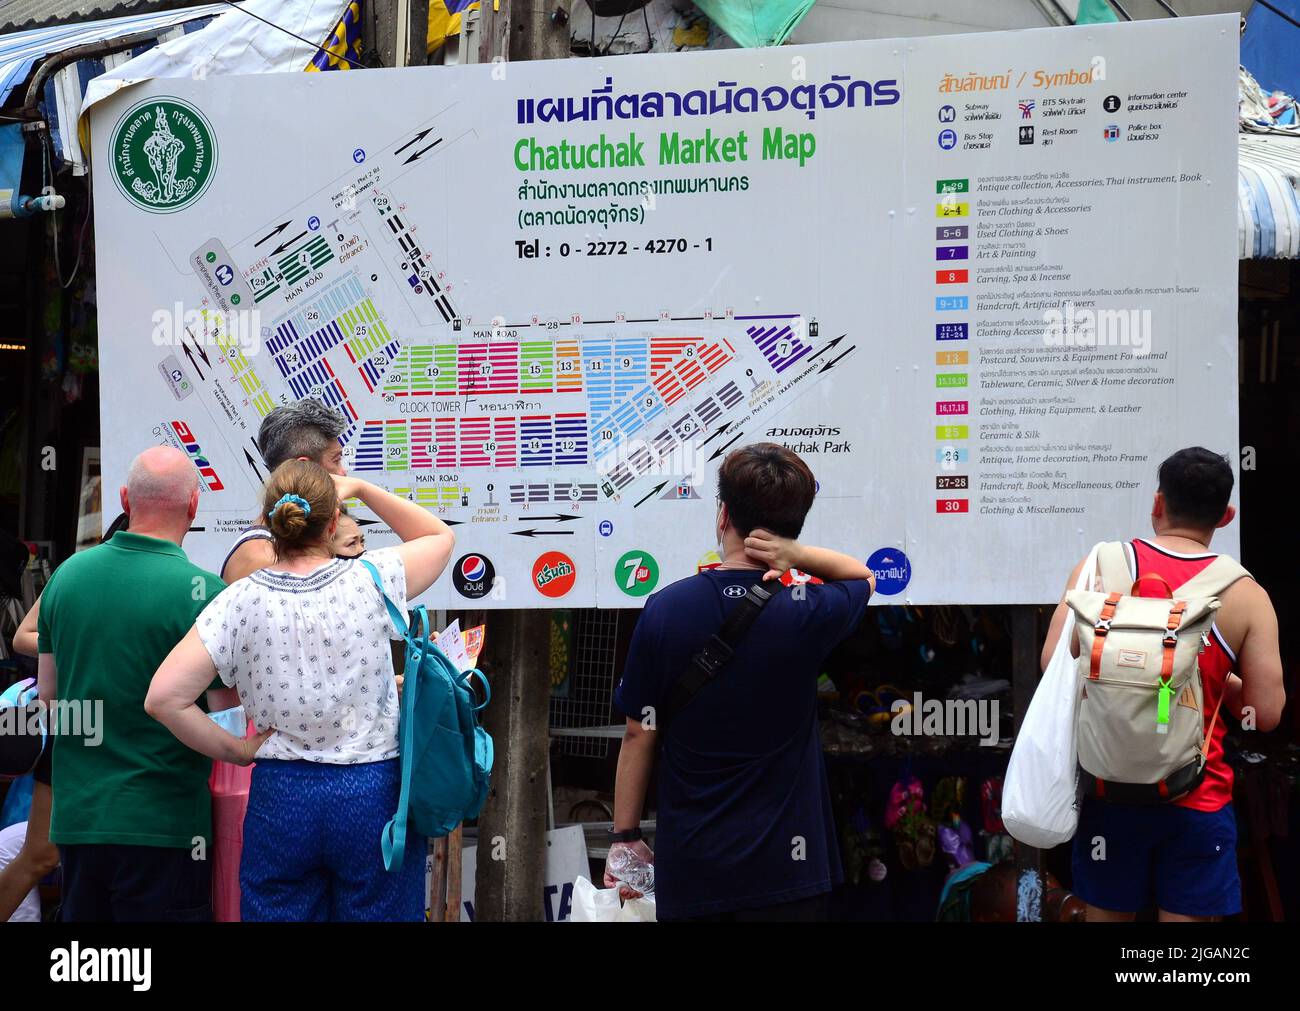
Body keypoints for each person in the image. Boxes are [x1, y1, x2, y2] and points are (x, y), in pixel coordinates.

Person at [147, 461, 455, 921]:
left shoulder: (237, 600)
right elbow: (439, 537)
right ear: (333, 523)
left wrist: (236, 750)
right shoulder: (372, 579)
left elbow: (164, 698)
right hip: (371, 792)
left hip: (280, 796)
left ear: (270, 525)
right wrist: (365, 489)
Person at [607, 442, 875, 921]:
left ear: (723, 515)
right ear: (793, 528)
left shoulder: (667, 609)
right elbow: (863, 579)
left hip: (694, 870)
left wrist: (626, 838)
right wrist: (797, 556)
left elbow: (638, 732)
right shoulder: (808, 610)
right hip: (791, 877)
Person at [1042, 447, 1284, 922]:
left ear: (1157, 504)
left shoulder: (1099, 565)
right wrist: (1207, 671)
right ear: (1226, 515)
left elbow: (1055, 660)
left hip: (1108, 792)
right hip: (1197, 797)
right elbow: (1266, 714)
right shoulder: (1246, 594)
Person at [37, 449, 230, 921]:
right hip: (165, 824)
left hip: (81, 818)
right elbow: (228, 712)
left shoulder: (66, 577)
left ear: (124, 498)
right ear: (193, 506)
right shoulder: (205, 593)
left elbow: (47, 697)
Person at [0, 513, 131, 922]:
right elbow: (24, 636)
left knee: (66, 852)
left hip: (105, 732)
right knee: (43, 850)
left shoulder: (155, 584)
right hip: (79, 723)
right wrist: (71, 644)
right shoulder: (75, 576)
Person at [221, 399, 348, 582]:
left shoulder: (296, 542)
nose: (343, 473)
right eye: (336, 460)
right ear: (304, 466)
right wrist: (362, 489)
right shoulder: (260, 557)